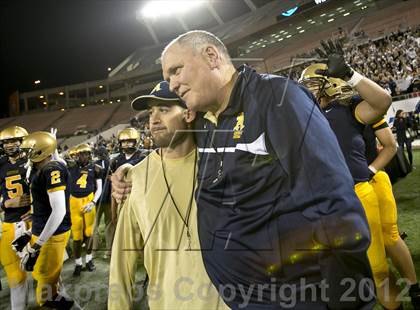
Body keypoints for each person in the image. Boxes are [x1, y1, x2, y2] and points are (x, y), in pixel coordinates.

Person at [115, 31, 374, 308]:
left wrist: (348, 300)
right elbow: (172, 146)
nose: (173, 84)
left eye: (176, 71)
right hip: (243, 298)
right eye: (168, 78)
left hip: (294, 296)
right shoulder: (206, 120)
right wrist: (128, 167)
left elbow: (332, 202)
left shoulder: (277, 98)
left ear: (211, 56)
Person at [108, 81, 228, 310]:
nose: (153, 120)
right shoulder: (136, 177)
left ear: (189, 113)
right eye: (151, 112)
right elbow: (122, 260)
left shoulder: (222, 162)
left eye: (163, 110)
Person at [299, 56, 401, 309]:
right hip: (325, 202)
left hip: (356, 192)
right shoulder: (303, 117)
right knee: (339, 270)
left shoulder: (347, 110)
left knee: (376, 267)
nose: (306, 88)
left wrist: (350, 74)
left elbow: (382, 101)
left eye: (312, 84)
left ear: (329, 84)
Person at [364, 119, 420, 309]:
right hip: (347, 190)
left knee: (391, 236)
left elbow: (389, 145)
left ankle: (414, 288)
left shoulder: (359, 105)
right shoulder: (313, 114)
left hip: (373, 178)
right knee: (375, 258)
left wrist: (370, 170)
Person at [17, 131, 73, 309]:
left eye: (29, 150)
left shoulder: (51, 169)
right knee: (48, 279)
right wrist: (33, 223)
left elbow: (59, 211)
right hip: (46, 229)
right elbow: (49, 205)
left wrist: (37, 245)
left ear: (41, 151)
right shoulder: (48, 166)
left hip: (51, 234)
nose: (25, 154)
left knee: (46, 287)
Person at [0, 126, 31, 310]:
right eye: (6, 142)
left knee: (46, 274)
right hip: (10, 223)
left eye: (14, 140)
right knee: (15, 275)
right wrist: (5, 204)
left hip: (34, 223)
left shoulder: (33, 160)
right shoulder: (1, 164)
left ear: (23, 141)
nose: (10, 145)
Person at [67, 143, 103, 276]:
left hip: (88, 200)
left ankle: (88, 260)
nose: (84, 156)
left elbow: (99, 188)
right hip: (74, 202)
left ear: (90, 154)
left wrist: (93, 202)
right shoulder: (70, 166)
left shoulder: (96, 168)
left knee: (89, 233)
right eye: (81, 154)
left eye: (86, 154)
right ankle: (78, 263)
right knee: (76, 236)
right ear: (76, 155)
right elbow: (57, 160)